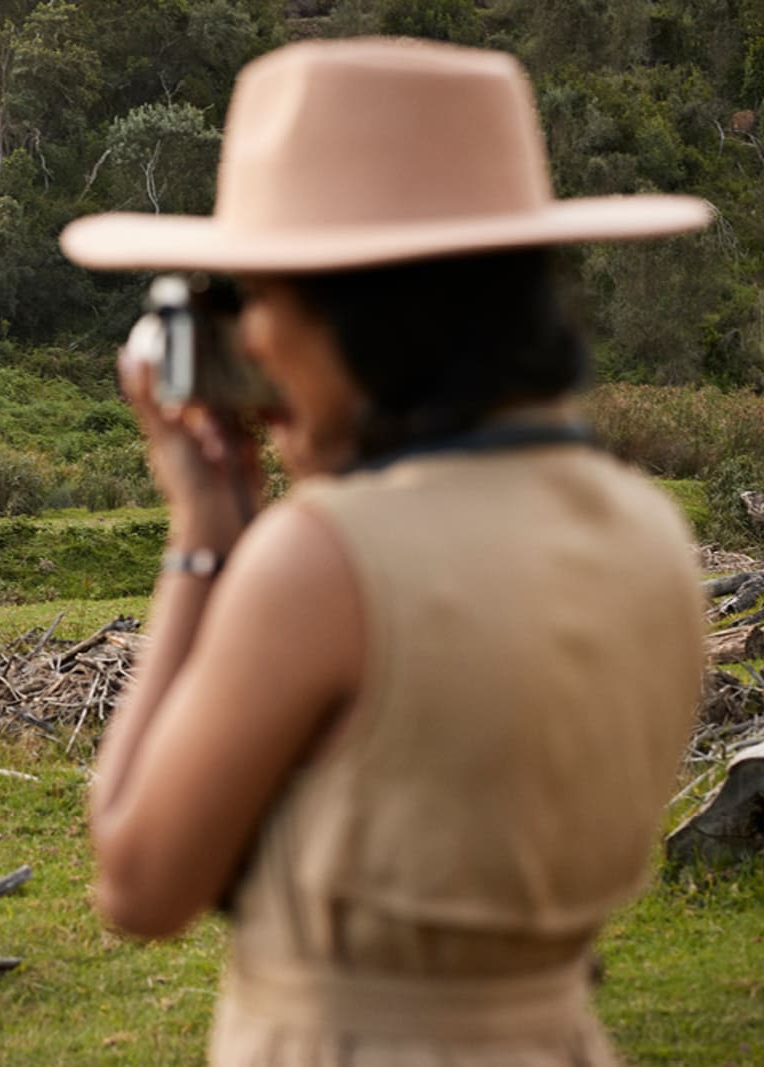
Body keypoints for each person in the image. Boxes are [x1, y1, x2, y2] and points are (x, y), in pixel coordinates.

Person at [61, 37, 709, 1065]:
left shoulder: (319, 561)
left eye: (260, 298)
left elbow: (136, 881)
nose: (252, 340)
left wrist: (204, 538)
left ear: (356, 313)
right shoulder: (650, 534)